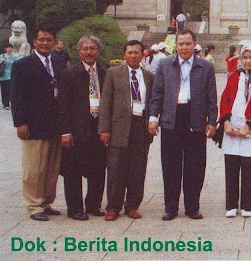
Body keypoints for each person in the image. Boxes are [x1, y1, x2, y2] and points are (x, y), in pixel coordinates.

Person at [149, 30, 217, 220]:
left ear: (194, 45)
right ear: (175, 46)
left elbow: (212, 97)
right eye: (181, 44)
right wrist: (153, 117)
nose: (184, 47)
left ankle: (192, 206)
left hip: (195, 117)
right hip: (172, 117)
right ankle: (170, 207)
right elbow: (157, 94)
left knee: (195, 165)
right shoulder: (165, 65)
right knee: (170, 164)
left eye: (188, 44)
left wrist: (212, 121)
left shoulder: (205, 66)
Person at [11, 28, 64, 221]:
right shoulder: (22, 65)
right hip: (33, 125)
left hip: (54, 125)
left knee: (51, 168)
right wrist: (20, 122)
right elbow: (16, 96)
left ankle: (46, 202)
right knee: (34, 168)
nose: (45, 43)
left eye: (49, 40)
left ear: (54, 42)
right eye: (41, 40)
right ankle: (34, 205)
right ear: (34, 41)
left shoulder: (58, 63)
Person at [99, 40, 155, 221]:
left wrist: (153, 122)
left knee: (138, 168)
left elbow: (153, 102)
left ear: (142, 54)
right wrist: (104, 128)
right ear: (124, 55)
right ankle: (113, 206)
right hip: (118, 127)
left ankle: (132, 205)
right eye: (129, 52)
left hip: (141, 126)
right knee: (116, 168)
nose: (132, 55)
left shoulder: (148, 76)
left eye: (136, 52)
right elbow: (105, 102)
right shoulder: (113, 73)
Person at [57, 36, 107, 221]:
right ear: (79, 52)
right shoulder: (69, 74)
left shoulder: (104, 72)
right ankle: (75, 208)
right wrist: (65, 131)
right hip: (76, 130)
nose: (88, 52)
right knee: (73, 172)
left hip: (98, 129)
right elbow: (62, 105)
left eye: (92, 48)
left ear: (98, 51)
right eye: (85, 48)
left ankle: (94, 205)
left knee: (98, 169)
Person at [219, 44, 251, 218]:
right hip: (232, 127)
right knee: (231, 168)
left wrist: (249, 124)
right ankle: (231, 204)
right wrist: (225, 122)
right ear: (240, 59)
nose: (248, 61)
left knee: (248, 168)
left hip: (250, 127)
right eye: (245, 57)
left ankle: (247, 204)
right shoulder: (234, 77)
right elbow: (225, 99)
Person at [0, 44, 17, 109]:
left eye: (10, 48)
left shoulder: (14, 57)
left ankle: (7, 103)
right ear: (5, 49)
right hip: (2, 75)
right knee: (3, 90)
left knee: (8, 90)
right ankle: (4, 102)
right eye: (8, 47)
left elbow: (16, 66)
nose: (9, 49)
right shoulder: (2, 56)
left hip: (10, 75)